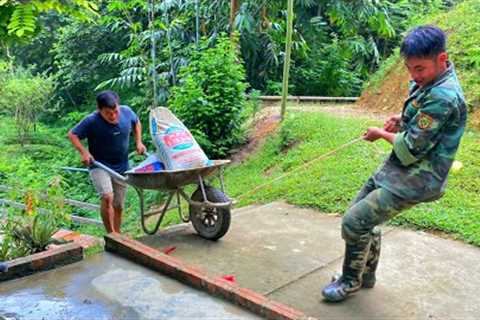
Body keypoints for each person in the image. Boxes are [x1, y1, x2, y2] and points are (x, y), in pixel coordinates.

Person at [322, 25, 467, 302]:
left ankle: (350, 280)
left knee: (354, 223)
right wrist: (400, 121)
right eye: (410, 69)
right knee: (360, 217)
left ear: (441, 58)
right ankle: (365, 275)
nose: (414, 76)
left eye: (420, 69)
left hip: (417, 178)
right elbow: (421, 121)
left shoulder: (443, 95)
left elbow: (411, 148)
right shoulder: (432, 81)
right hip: (399, 169)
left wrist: (381, 134)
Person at [68, 90, 146, 233]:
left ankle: (118, 235)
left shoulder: (127, 112)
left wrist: (139, 142)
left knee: (119, 205)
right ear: (99, 110)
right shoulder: (91, 121)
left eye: (115, 111)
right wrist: (84, 152)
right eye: (108, 113)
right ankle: (111, 235)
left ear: (118, 106)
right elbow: (73, 134)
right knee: (107, 196)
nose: (113, 116)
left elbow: (136, 122)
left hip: (121, 165)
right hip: (99, 165)